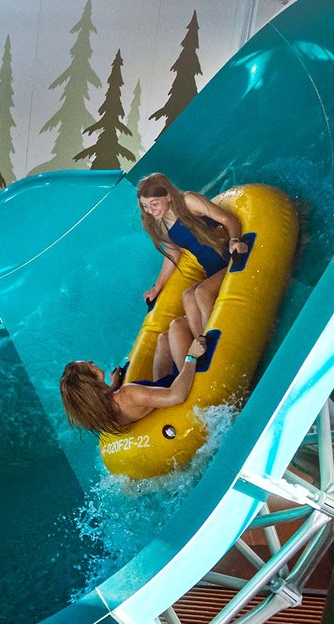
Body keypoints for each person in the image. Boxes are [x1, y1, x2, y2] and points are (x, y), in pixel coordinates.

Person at [137, 173, 248, 336]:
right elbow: (173, 252)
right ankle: (202, 344)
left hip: (229, 258)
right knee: (187, 295)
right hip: (212, 270)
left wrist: (234, 240)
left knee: (201, 292)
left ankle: (216, 337)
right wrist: (157, 287)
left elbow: (227, 219)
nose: (150, 211)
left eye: (154, 204)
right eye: (145, 206)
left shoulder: (188, 201)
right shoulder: (162, 224)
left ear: (168, 196)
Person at [60, 325, 207, 434]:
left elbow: (114, 398)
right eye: (89, 364)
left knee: (163, 339)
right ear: (91, 376)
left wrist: (114, 383)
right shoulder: (127, 394)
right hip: (178, 384)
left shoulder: (102, 411)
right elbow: (177, 395)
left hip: (157, 392)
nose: (92, 361)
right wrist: (191, 357)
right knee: (177, 327)